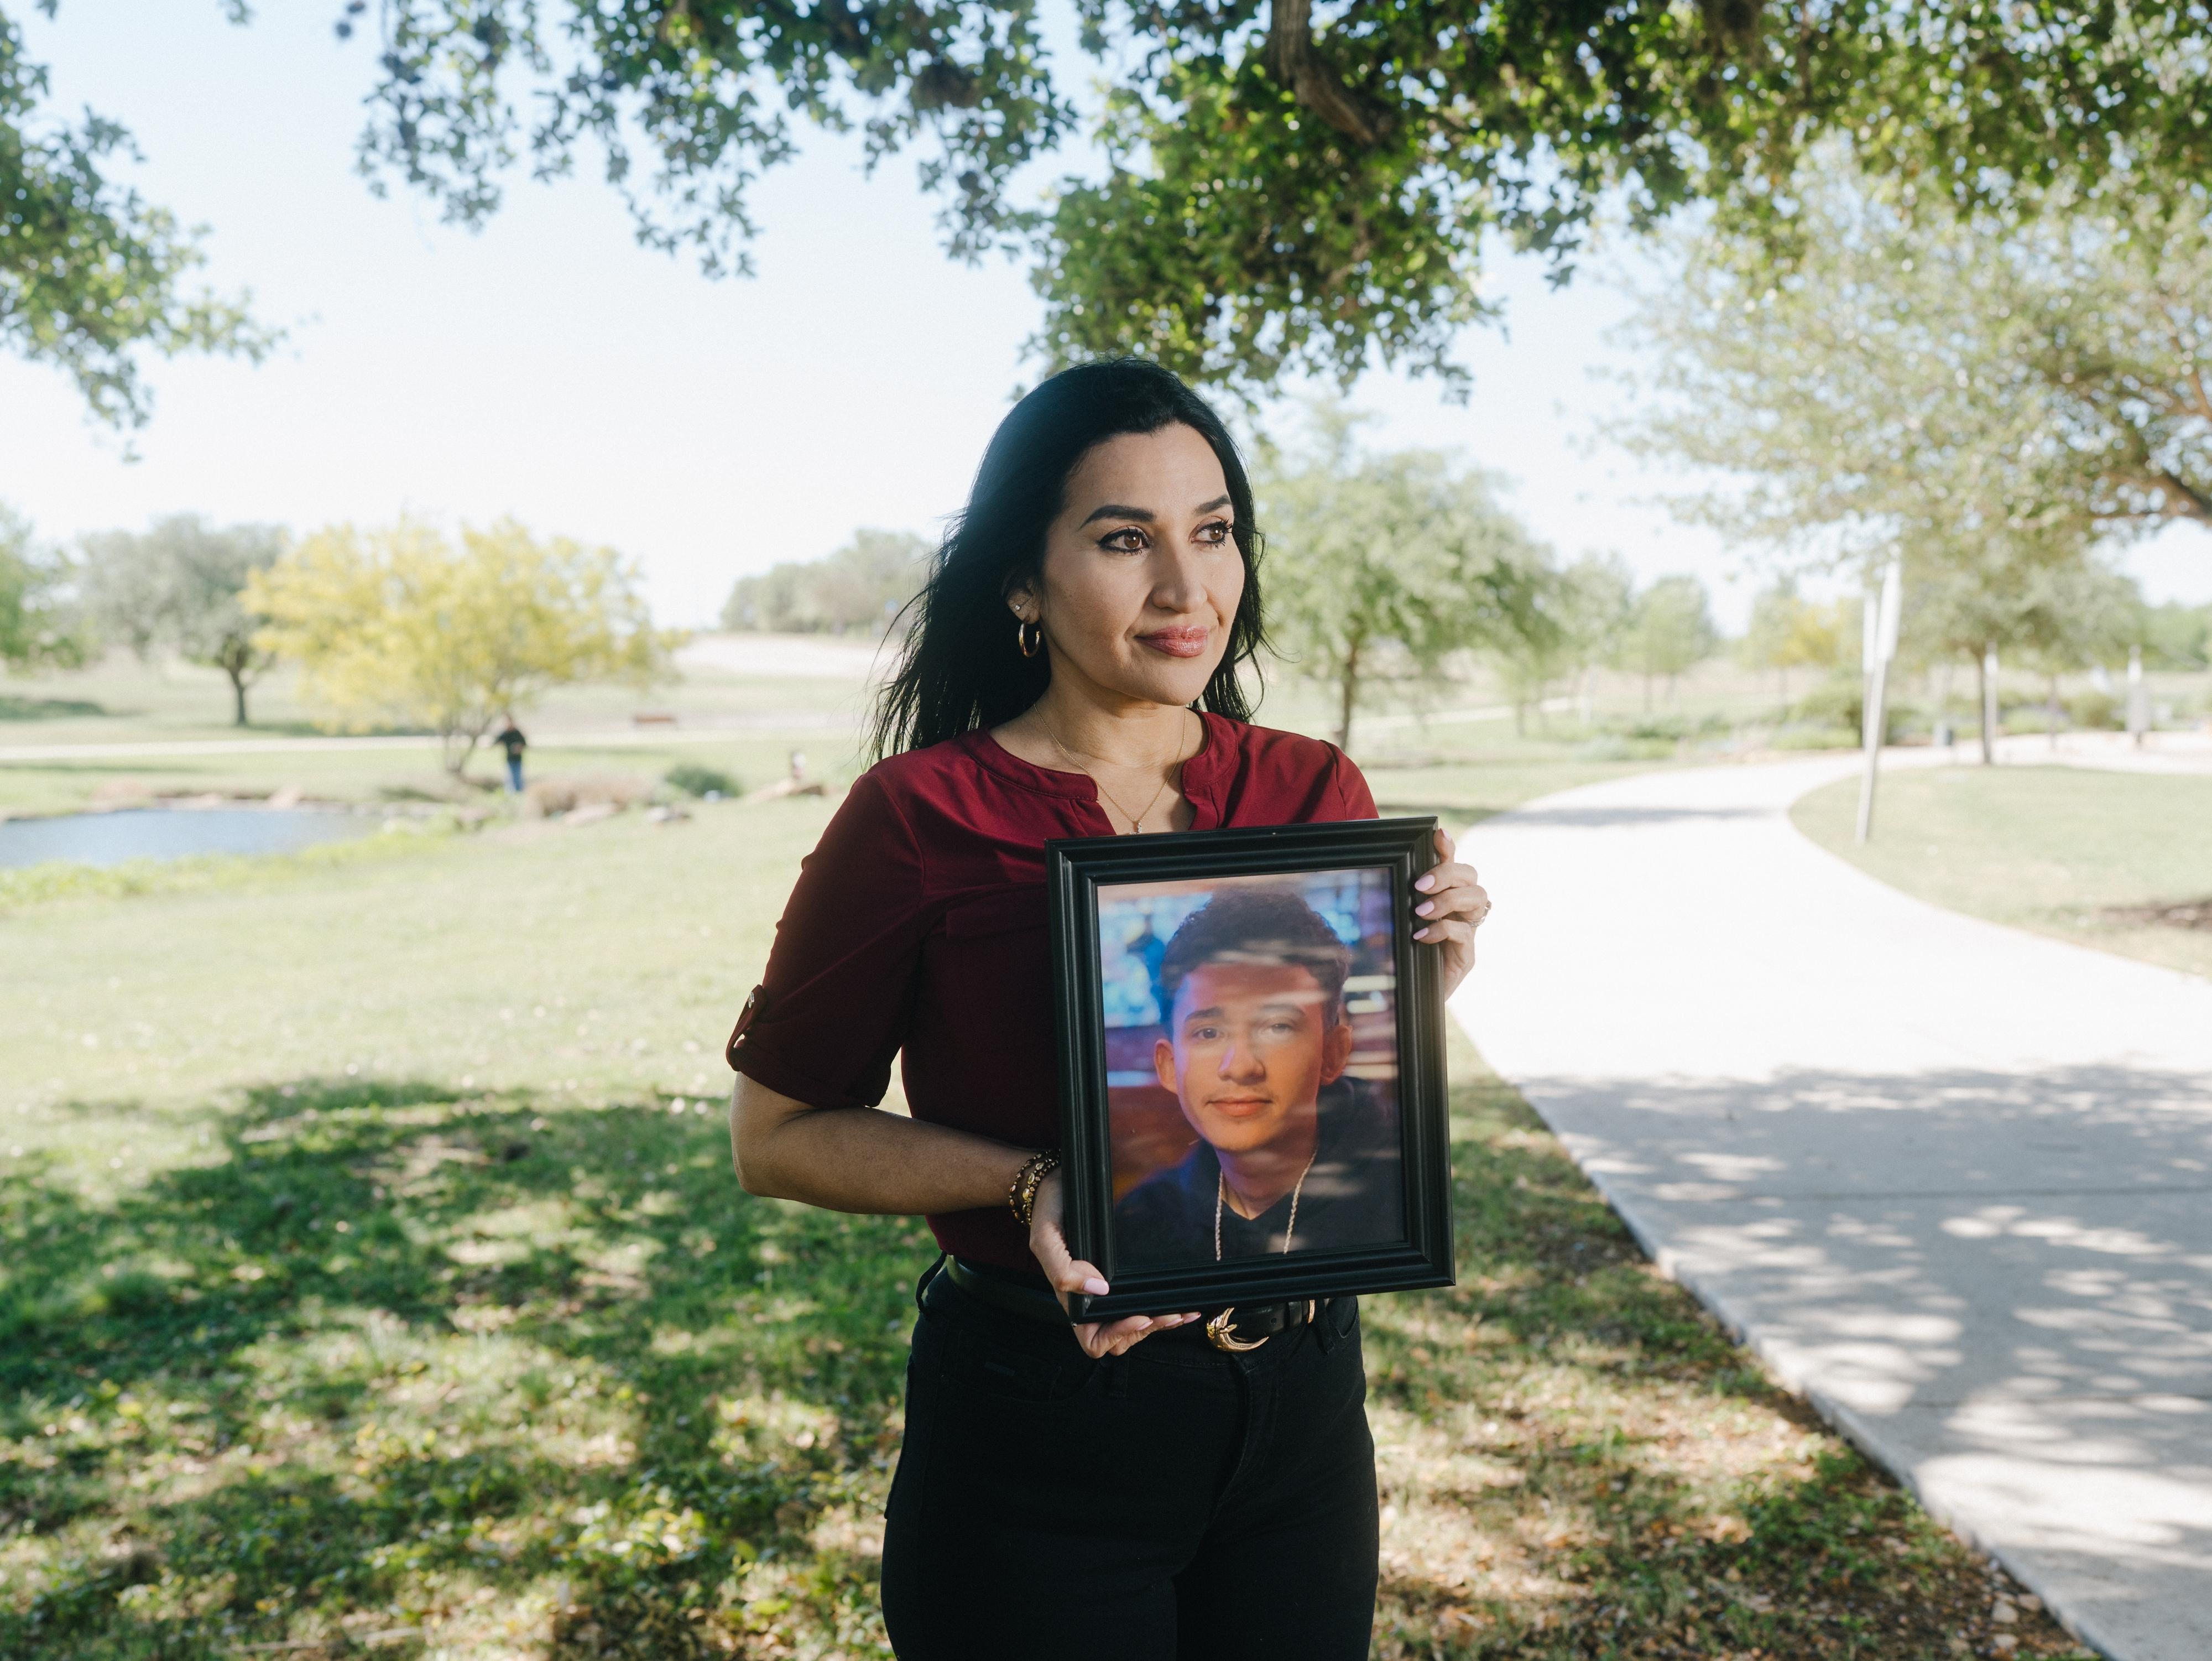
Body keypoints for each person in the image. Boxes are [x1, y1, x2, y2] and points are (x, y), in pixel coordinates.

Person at [723, 358, 1492, 1661]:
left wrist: (1416, 984)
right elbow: (777, 1134)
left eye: (1213, 533)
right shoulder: (918, 816)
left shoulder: (1313, 791)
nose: (1186, 590)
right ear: (1023, 582)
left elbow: (1332, 1107)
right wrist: (1032, 1183)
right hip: (1038, 1436)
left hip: (1301, 1415)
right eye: (1123, 540)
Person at [1112, 887, 1402, 1267]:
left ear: (1333, 1053)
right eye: (1209, 1033)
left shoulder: (1399, 1193)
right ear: (1169, 1066)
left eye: (1277, 1027)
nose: (1240, 1065)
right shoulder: (1140, 1223)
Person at [492, 715, 527, 793]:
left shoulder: (517, 732)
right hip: (510, 759)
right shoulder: (505, 733)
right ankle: (510, 794)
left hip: (518, 759)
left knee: (518, 777)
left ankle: (519, 792)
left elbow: (525, 744)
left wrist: (519, 747)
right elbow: (496, 741)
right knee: (509, 778)